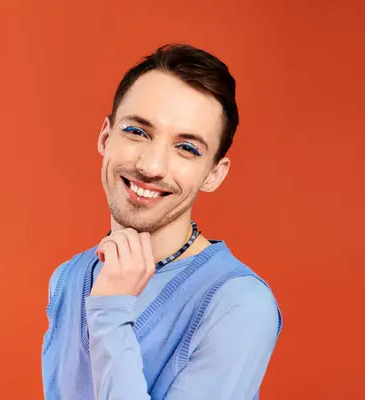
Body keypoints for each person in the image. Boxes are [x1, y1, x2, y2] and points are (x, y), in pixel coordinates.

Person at [41, 43, 283, 400]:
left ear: (214, 174)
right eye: (137, 131)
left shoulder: (239, 304)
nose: (150, 166)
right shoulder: (68, 277)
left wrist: (110, 312)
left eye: (187, 148)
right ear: (105, 138)